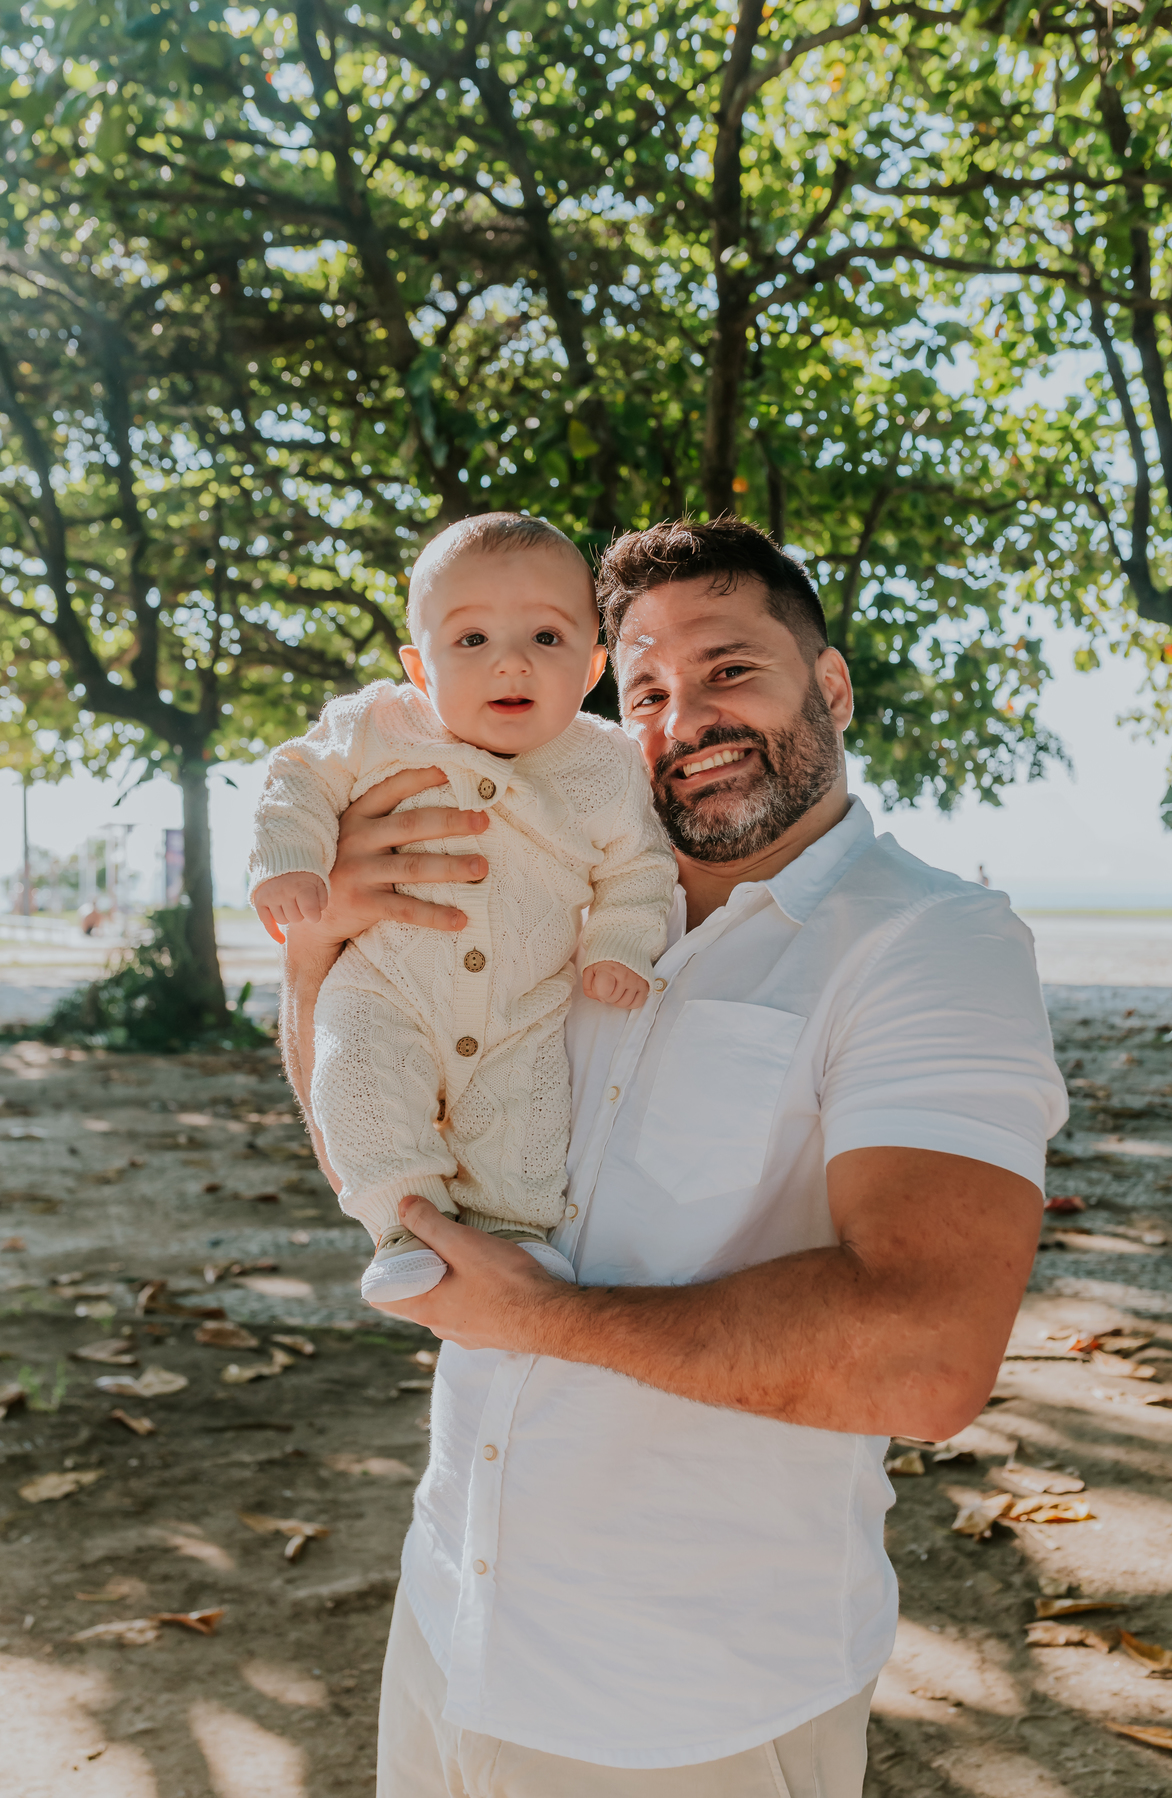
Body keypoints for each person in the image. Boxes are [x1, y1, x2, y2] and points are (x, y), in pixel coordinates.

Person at [279, 518, 1068, 1798]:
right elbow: (377, 1160)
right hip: (446, 1634)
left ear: (833, 683)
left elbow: (928, 1355)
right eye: (642, 688)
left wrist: (547, 1319)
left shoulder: (932, 943)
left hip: (689, 1707)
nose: (682, 717)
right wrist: (324, 948)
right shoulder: (554, 907)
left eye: (730, 670)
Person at [248, 514, 676, 1305]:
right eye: (471, 640)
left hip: (526, 1007)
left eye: (546, 639)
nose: (510, 661)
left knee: (528, 1116)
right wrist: (292, 862)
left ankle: (513, 1227)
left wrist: (616, 944)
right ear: (420, 666)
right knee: (362, 1083)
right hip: (388, 985)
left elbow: (639, 868)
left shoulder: (607, 765)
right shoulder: (380, 724)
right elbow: (298, 776)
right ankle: (402, 1224)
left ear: (592, 666)